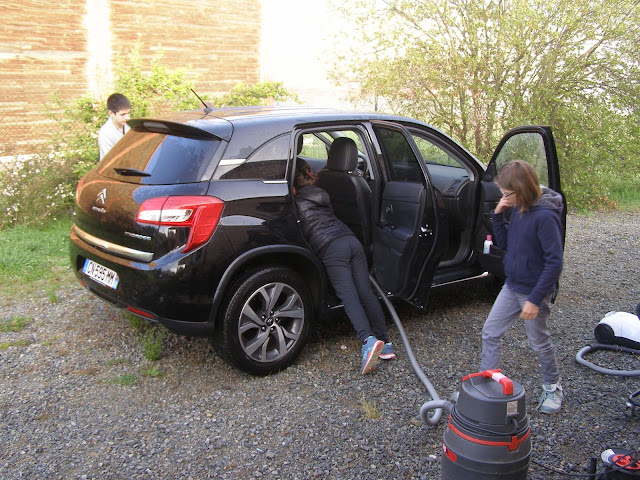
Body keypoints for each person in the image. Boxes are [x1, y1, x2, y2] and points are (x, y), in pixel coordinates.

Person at [293, 159, 394, 374]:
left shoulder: (296, 203)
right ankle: (385, 343)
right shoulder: (322, 194)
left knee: (348, 296)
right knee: (365, 292)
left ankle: (368, 340)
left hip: (331, 248)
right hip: (351, 241)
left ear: (293, 187)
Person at [480, 160, 565, 414]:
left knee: (539, 342)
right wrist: (498, 215)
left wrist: (535, 299)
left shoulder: (545, 216)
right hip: (512, 285)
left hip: (533, 291)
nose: (504, 198)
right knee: (490, 333)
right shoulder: (518, 208)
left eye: (507, 194)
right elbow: (507, 244)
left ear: (522, 190)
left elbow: (554, 262)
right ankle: (487, 384)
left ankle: (553, 386)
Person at [98, 93, 131, 159]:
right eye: (122, 114)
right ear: (111, 113)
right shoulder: (105, 133)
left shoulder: (129, 125)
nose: (127, 117)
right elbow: (109, 159)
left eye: (128, 113)